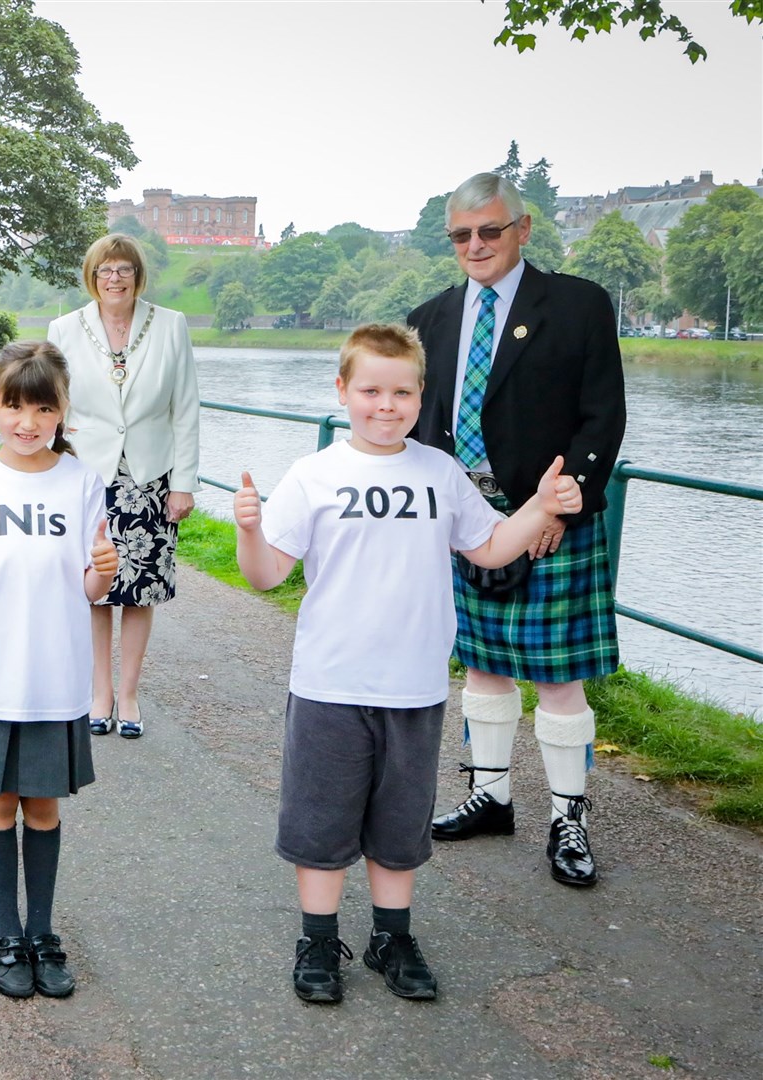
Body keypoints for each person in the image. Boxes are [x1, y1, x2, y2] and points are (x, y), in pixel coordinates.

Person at [233, 324, 582, 1004]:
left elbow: (489, 547)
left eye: (401, 392)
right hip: (331, 683)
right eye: (369, 390)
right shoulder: (315, 474)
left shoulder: (439, 473)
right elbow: (267, 575)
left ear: (421, 396)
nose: (384, 406)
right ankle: (319, 937)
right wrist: (249, 528)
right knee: (322, 821)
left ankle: (393, 935)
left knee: (399, 824)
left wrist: (538, 505)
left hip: (415, 686)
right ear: (343, 391)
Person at [407, 172, 627, 888]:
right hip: (466, 520)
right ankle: (491, 796)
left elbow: (603, 414)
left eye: (490, 231)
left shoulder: (577, 304)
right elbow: (418, 423)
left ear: (522, 229)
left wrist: (565, 503)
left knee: (560, 681)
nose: (476, 245)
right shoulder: (430, 318)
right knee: (484, 667)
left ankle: (569, 819)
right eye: (462, 235)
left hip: (551, 519)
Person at [0, 341, 119, 1000]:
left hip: (55, 675)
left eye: (44, 407)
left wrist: (105, 575)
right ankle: (6, 932)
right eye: (15, 405)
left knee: (42, 806)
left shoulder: (81, 482)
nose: (28, 421)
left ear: (63, 410)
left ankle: (42, 931)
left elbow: (91, 590)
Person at [46, 234, 200, 739]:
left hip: (150, 477)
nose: (115, 278)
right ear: (92, 277)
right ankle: (99, 693)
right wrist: (49, 465)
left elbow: (185, 409)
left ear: (138, 275)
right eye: (105, 270)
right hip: (86, 477)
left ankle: (129, 694)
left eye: (124, 270)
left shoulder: (171, 325)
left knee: (139, 592)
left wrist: (183, 484)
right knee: (93, 590)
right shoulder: (64, 329)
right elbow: (53, 403)